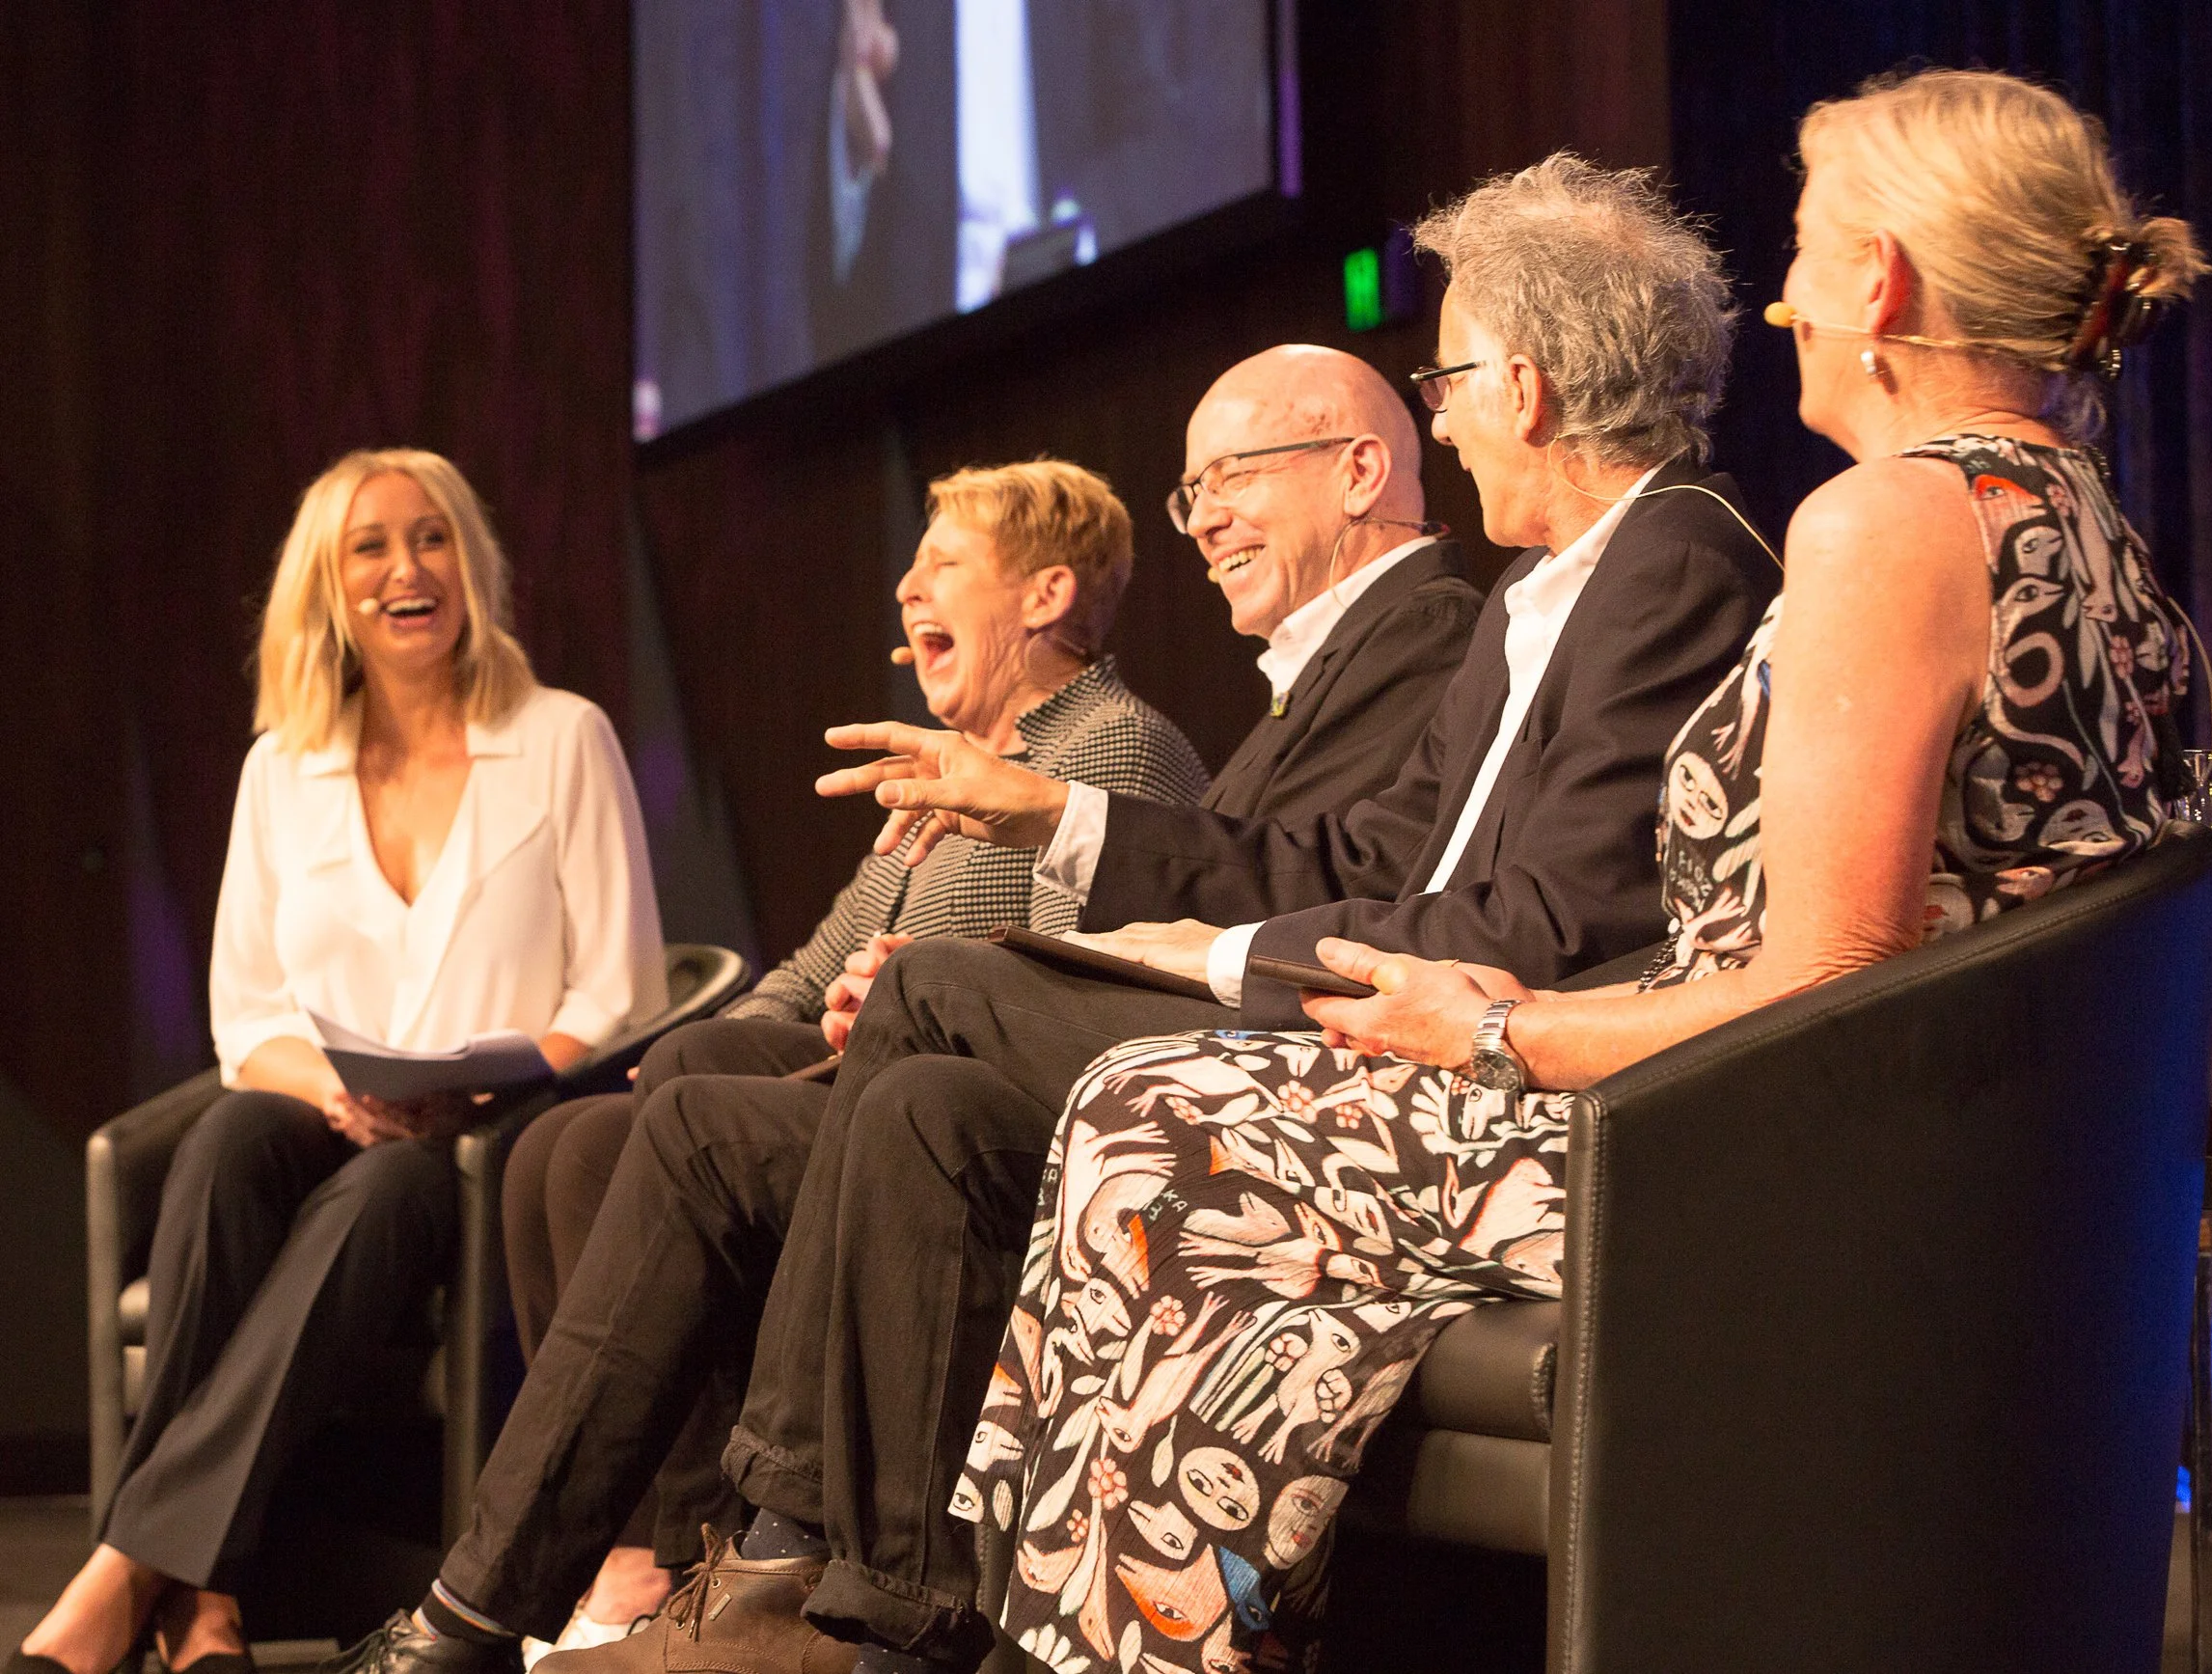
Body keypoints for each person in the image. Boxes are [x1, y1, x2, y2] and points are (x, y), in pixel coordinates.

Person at [955, 69, 2204, 1674]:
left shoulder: (1890, 523)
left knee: (1161, 1115)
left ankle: (1065, 1640)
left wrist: (1494, 1033)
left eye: (1808, 251)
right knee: (1232, 1159)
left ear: (1882, 284)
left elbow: (1831, 986)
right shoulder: (2092, 531)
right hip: (1950, 1170)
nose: (1778, 302)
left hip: (1790, 1173)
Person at [554, 155, 1777, 1674]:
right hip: (1391, 1026)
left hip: (1493, 1080)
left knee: (938, 991)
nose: (1442, 415)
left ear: (1522, 387)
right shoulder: (1547, 596)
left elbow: (1535, 924)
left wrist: (1184, 949)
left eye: (1448, 379)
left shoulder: (1671, 559)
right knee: (919, 1087)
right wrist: (1154, 939)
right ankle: (872, 1606)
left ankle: (793, 1558)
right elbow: (1395, 879)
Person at [331, 351, 1485, 1674]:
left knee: (875, 1041)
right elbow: (858, 950)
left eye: (1230, 476)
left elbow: (1329, 901)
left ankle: (760, 1565)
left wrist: (1018, 889)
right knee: (719, 1094)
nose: (1206, 515)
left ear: (1358, 469)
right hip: (1142, 1065)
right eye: (1190, 492)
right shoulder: (1315, 677)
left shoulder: (1409, 639)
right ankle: (590, 1590)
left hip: (1250, 1104)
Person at [483, 458, 1212, 1657]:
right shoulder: (945, 762)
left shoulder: (1113, 751)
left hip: (973, 1110)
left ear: (1042, 596)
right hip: (865, 1062)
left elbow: (1085, 980)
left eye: (943, 566)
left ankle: (740, 1562)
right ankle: (677, 1554)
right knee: (568, 1146)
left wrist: (874, 1009)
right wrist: (759, 1029)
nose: (905, 586)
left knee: (674, 1105)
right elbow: (822, 958)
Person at [11, 451, 668, 1674]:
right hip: (326, 1106)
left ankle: (132, 1566)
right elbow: (244, 1013)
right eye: (370, 546)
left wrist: (475, 1086)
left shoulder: (562, 736)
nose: (405, 568)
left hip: (478, 1137)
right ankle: (199, 1597)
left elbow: (621, 992)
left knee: (389, 1185)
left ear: (470, 567)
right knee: (226, 1138)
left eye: (431, 539)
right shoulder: (280, 768)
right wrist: (338, 1091)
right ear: (329, 585)